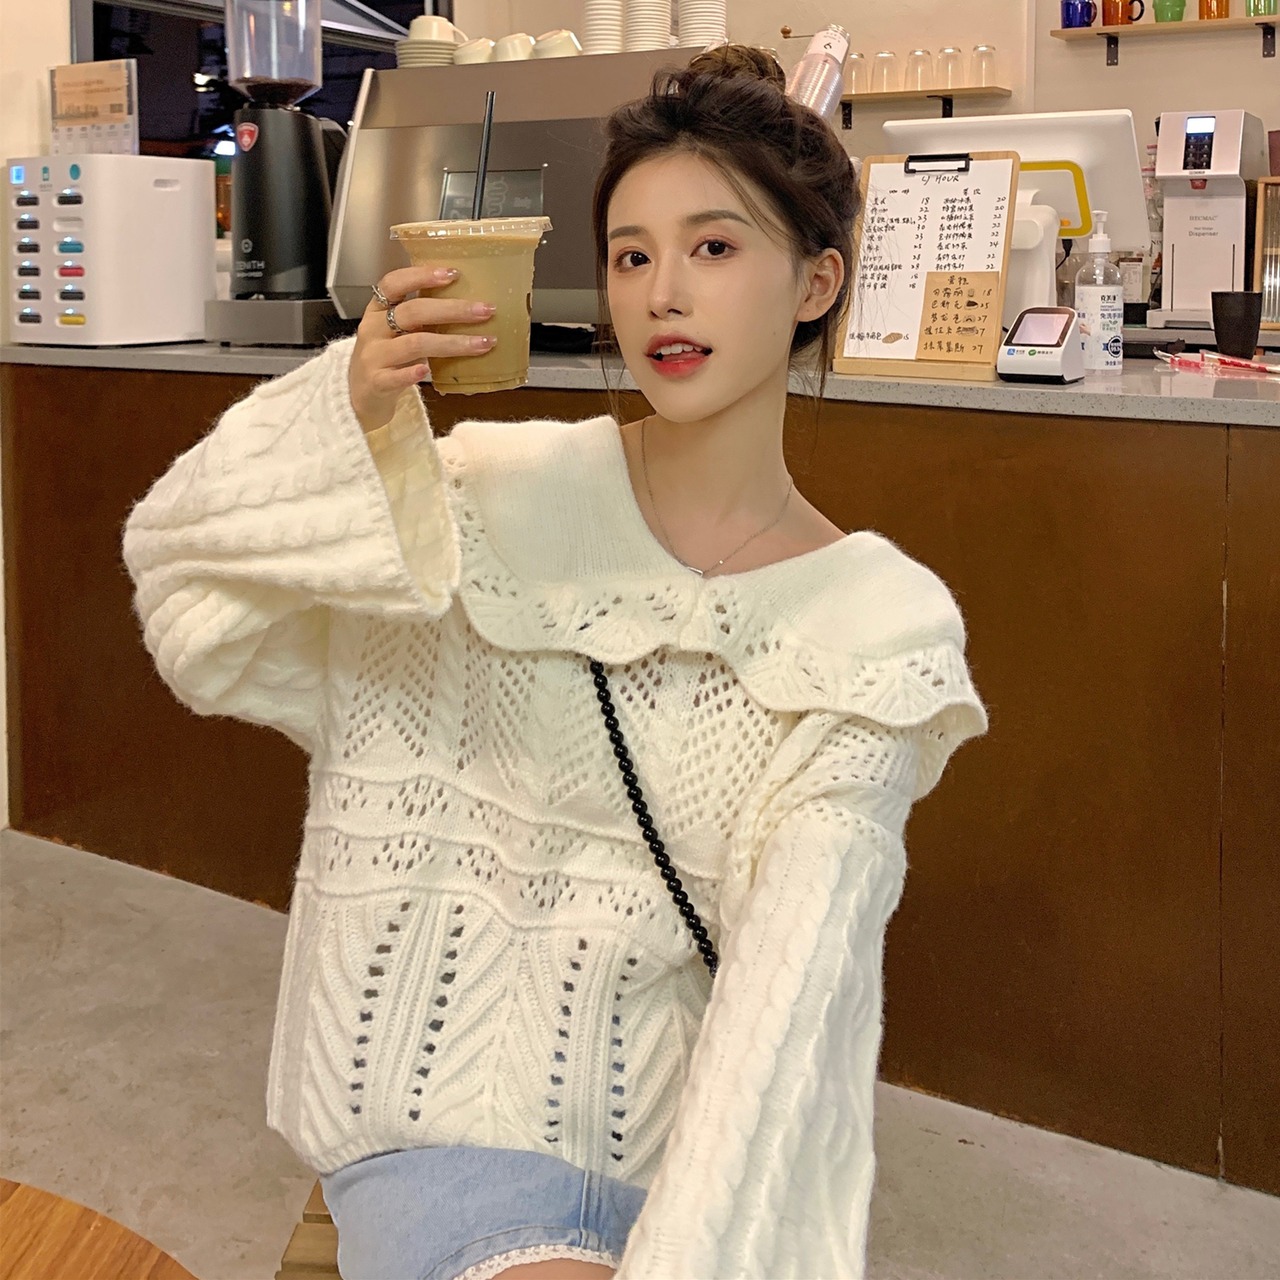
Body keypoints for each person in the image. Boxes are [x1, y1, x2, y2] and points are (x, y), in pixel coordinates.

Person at [123, 44, 986, 1280]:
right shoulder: (486, 495)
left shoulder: (872, 631)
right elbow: (190, 597)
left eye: (713, 246)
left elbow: (786, 1018)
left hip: (675, 1163)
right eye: (630, 255)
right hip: (440, 1128)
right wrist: (344, 408)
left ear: (815, 280)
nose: (662, 294)